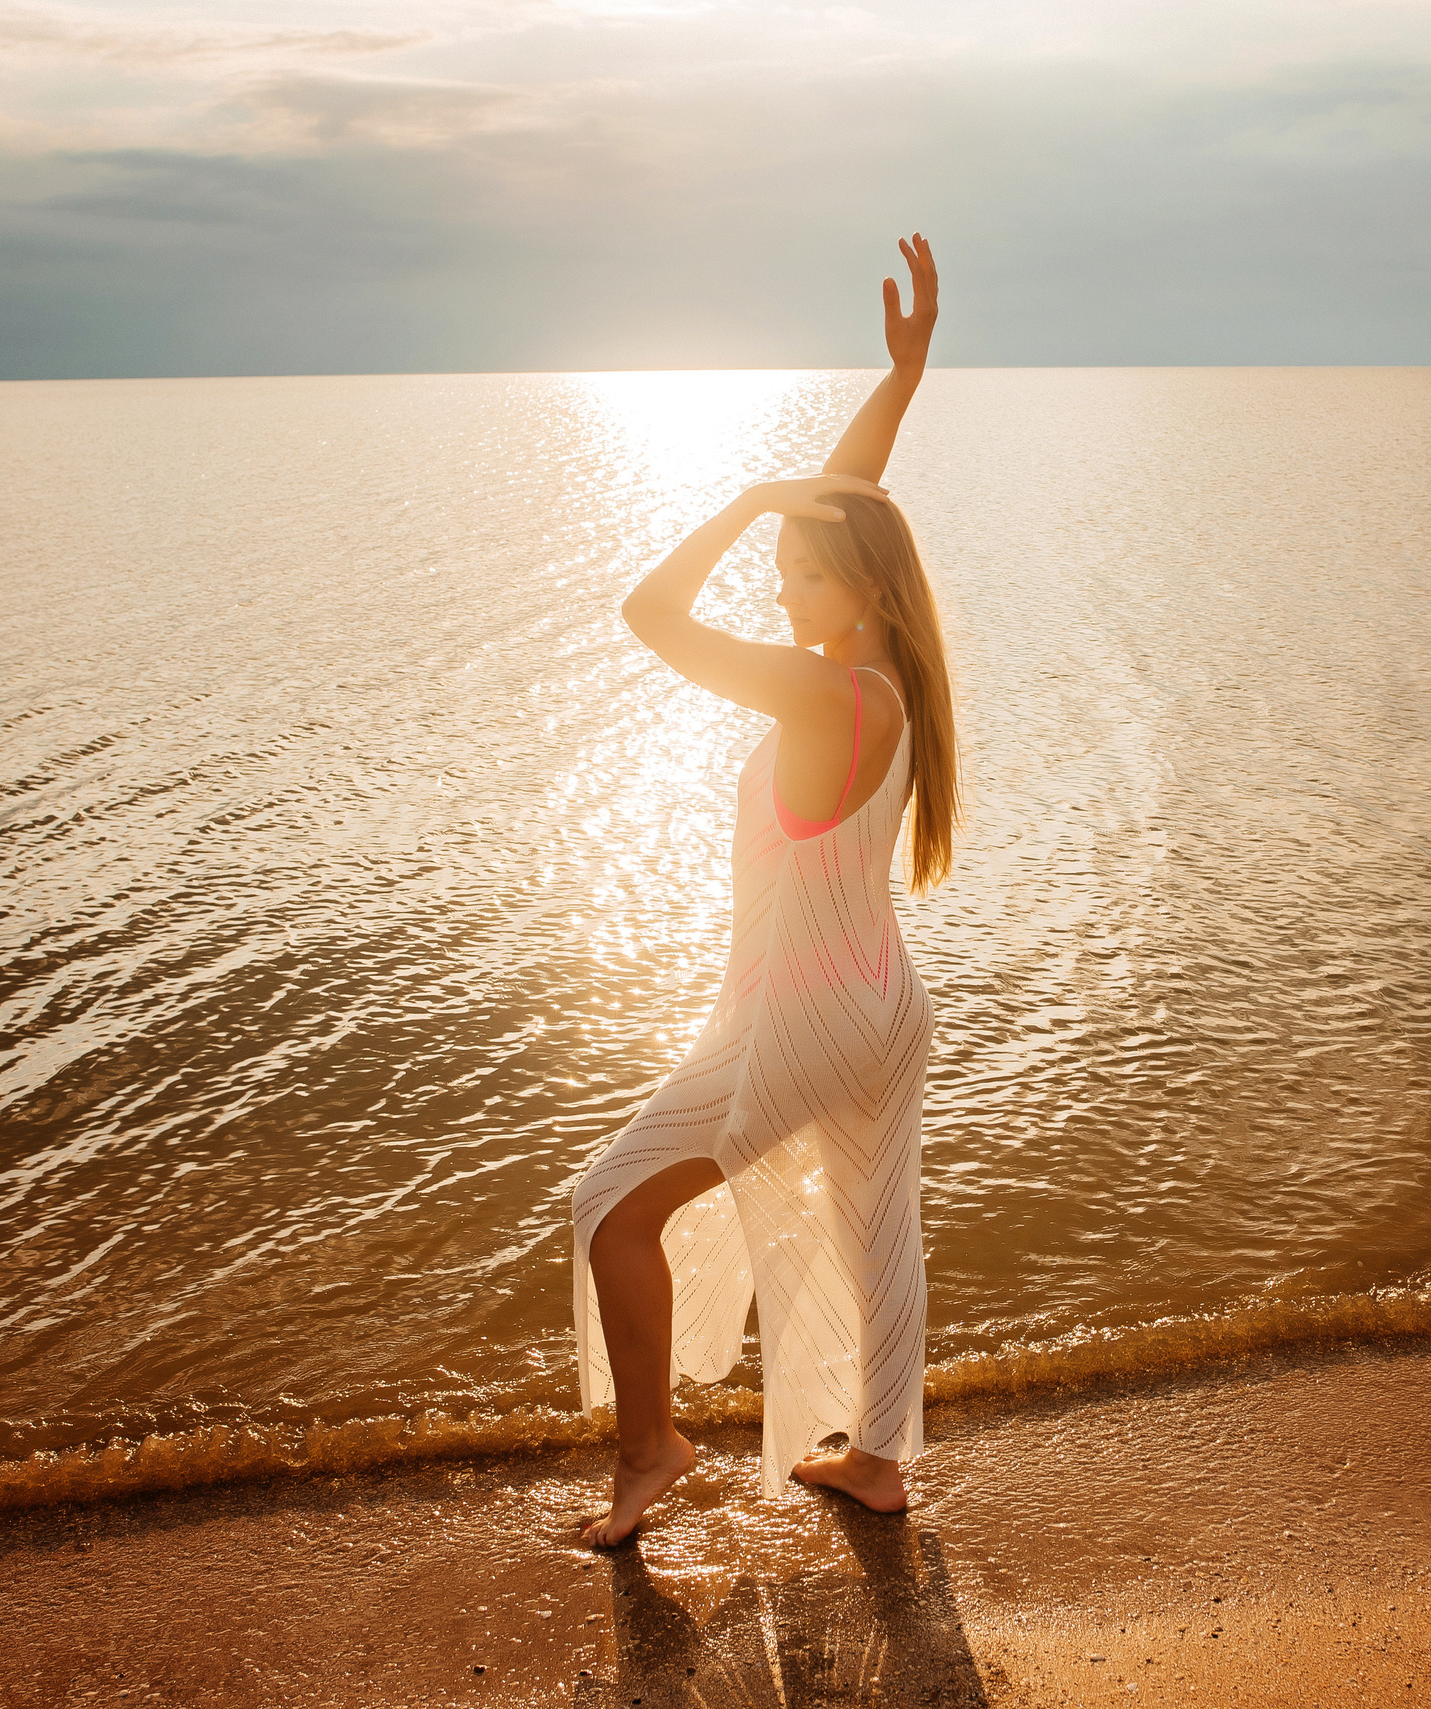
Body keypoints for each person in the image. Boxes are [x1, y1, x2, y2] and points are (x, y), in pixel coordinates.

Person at [570, 235, 956, 1548]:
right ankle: (880, 1461)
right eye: (778, 565)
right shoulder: (888, 671)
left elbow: (649, 612)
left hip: (802, 1018)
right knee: (874, 1225)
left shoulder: (818, 682)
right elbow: (854, 514)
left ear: (854, 591)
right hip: (881, 1000)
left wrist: (741, 503)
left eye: (799, 572)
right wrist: (897, 383)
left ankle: (650, 1448)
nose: (778, 586)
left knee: (607, 1207)